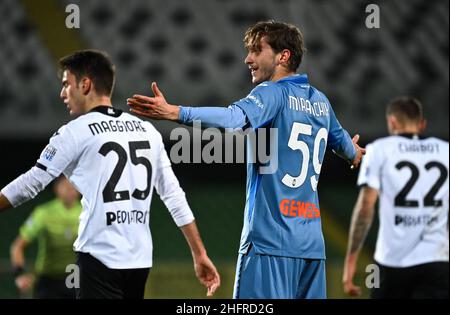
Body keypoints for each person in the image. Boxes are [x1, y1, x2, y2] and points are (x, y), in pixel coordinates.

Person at [127, 20, 365, 299]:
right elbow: (348, 148)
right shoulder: (321, 102)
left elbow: (234, 119)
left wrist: (177, 113)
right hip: (311, 248)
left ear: (282, 56)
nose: (247, 58)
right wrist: (356, 153)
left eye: (256, 50)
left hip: (269, 243)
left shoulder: (272, 93)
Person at [0, 49, 220, 299]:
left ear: (85, 84)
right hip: (139, 260)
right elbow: (173, 195)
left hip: (99, 257)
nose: (62, 93)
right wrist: (199, 253)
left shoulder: (74, 132)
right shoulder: (146, 130)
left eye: (66, 84)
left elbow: (32, 182)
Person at [343, 97, 449, 299]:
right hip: (437, 261)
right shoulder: (446, 151)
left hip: (391, 262)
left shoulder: (379, 150)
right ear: (422, 124)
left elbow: (366, 208)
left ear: (392, 122)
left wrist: (351, 261)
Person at [11, 176, 81, 299]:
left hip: (77, 278)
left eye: (73, 186)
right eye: (65, 186)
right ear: (56, 189)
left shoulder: (88, 212)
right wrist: (19, 275)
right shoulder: (43, 213)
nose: (70, 190)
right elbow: (18, 246)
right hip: (47, 280)